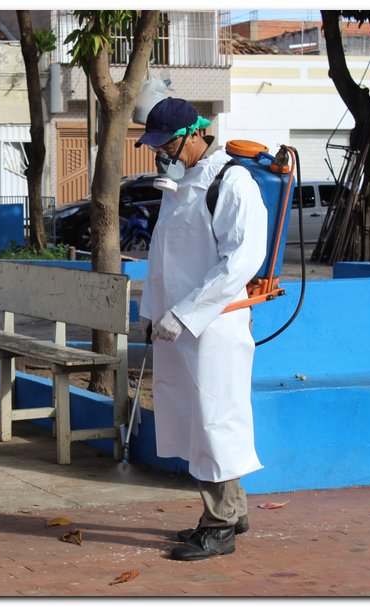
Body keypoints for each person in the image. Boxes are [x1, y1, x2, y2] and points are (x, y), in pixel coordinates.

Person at [135, 98, 268, 562]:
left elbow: (239, 263)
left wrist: (188, 312)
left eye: (167, 143)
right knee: (197, 419)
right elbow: (161, 257)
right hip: (179, 327)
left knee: (215, 420)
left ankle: (219, 526)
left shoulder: (232, 183)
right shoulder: (184, 183)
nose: (161, 153)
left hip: (214, 325)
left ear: (195, 133)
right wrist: (152, 310)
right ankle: (235, 510)